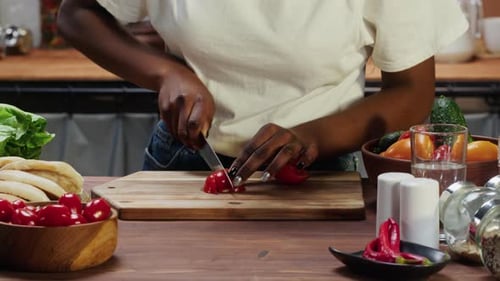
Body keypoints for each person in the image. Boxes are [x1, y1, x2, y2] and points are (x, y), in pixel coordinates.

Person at [57, 0, 468, 186]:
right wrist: (166, 73)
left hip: (320, 175)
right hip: (186, 159)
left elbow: (412, 93)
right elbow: (76, 12)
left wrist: (311, 137)